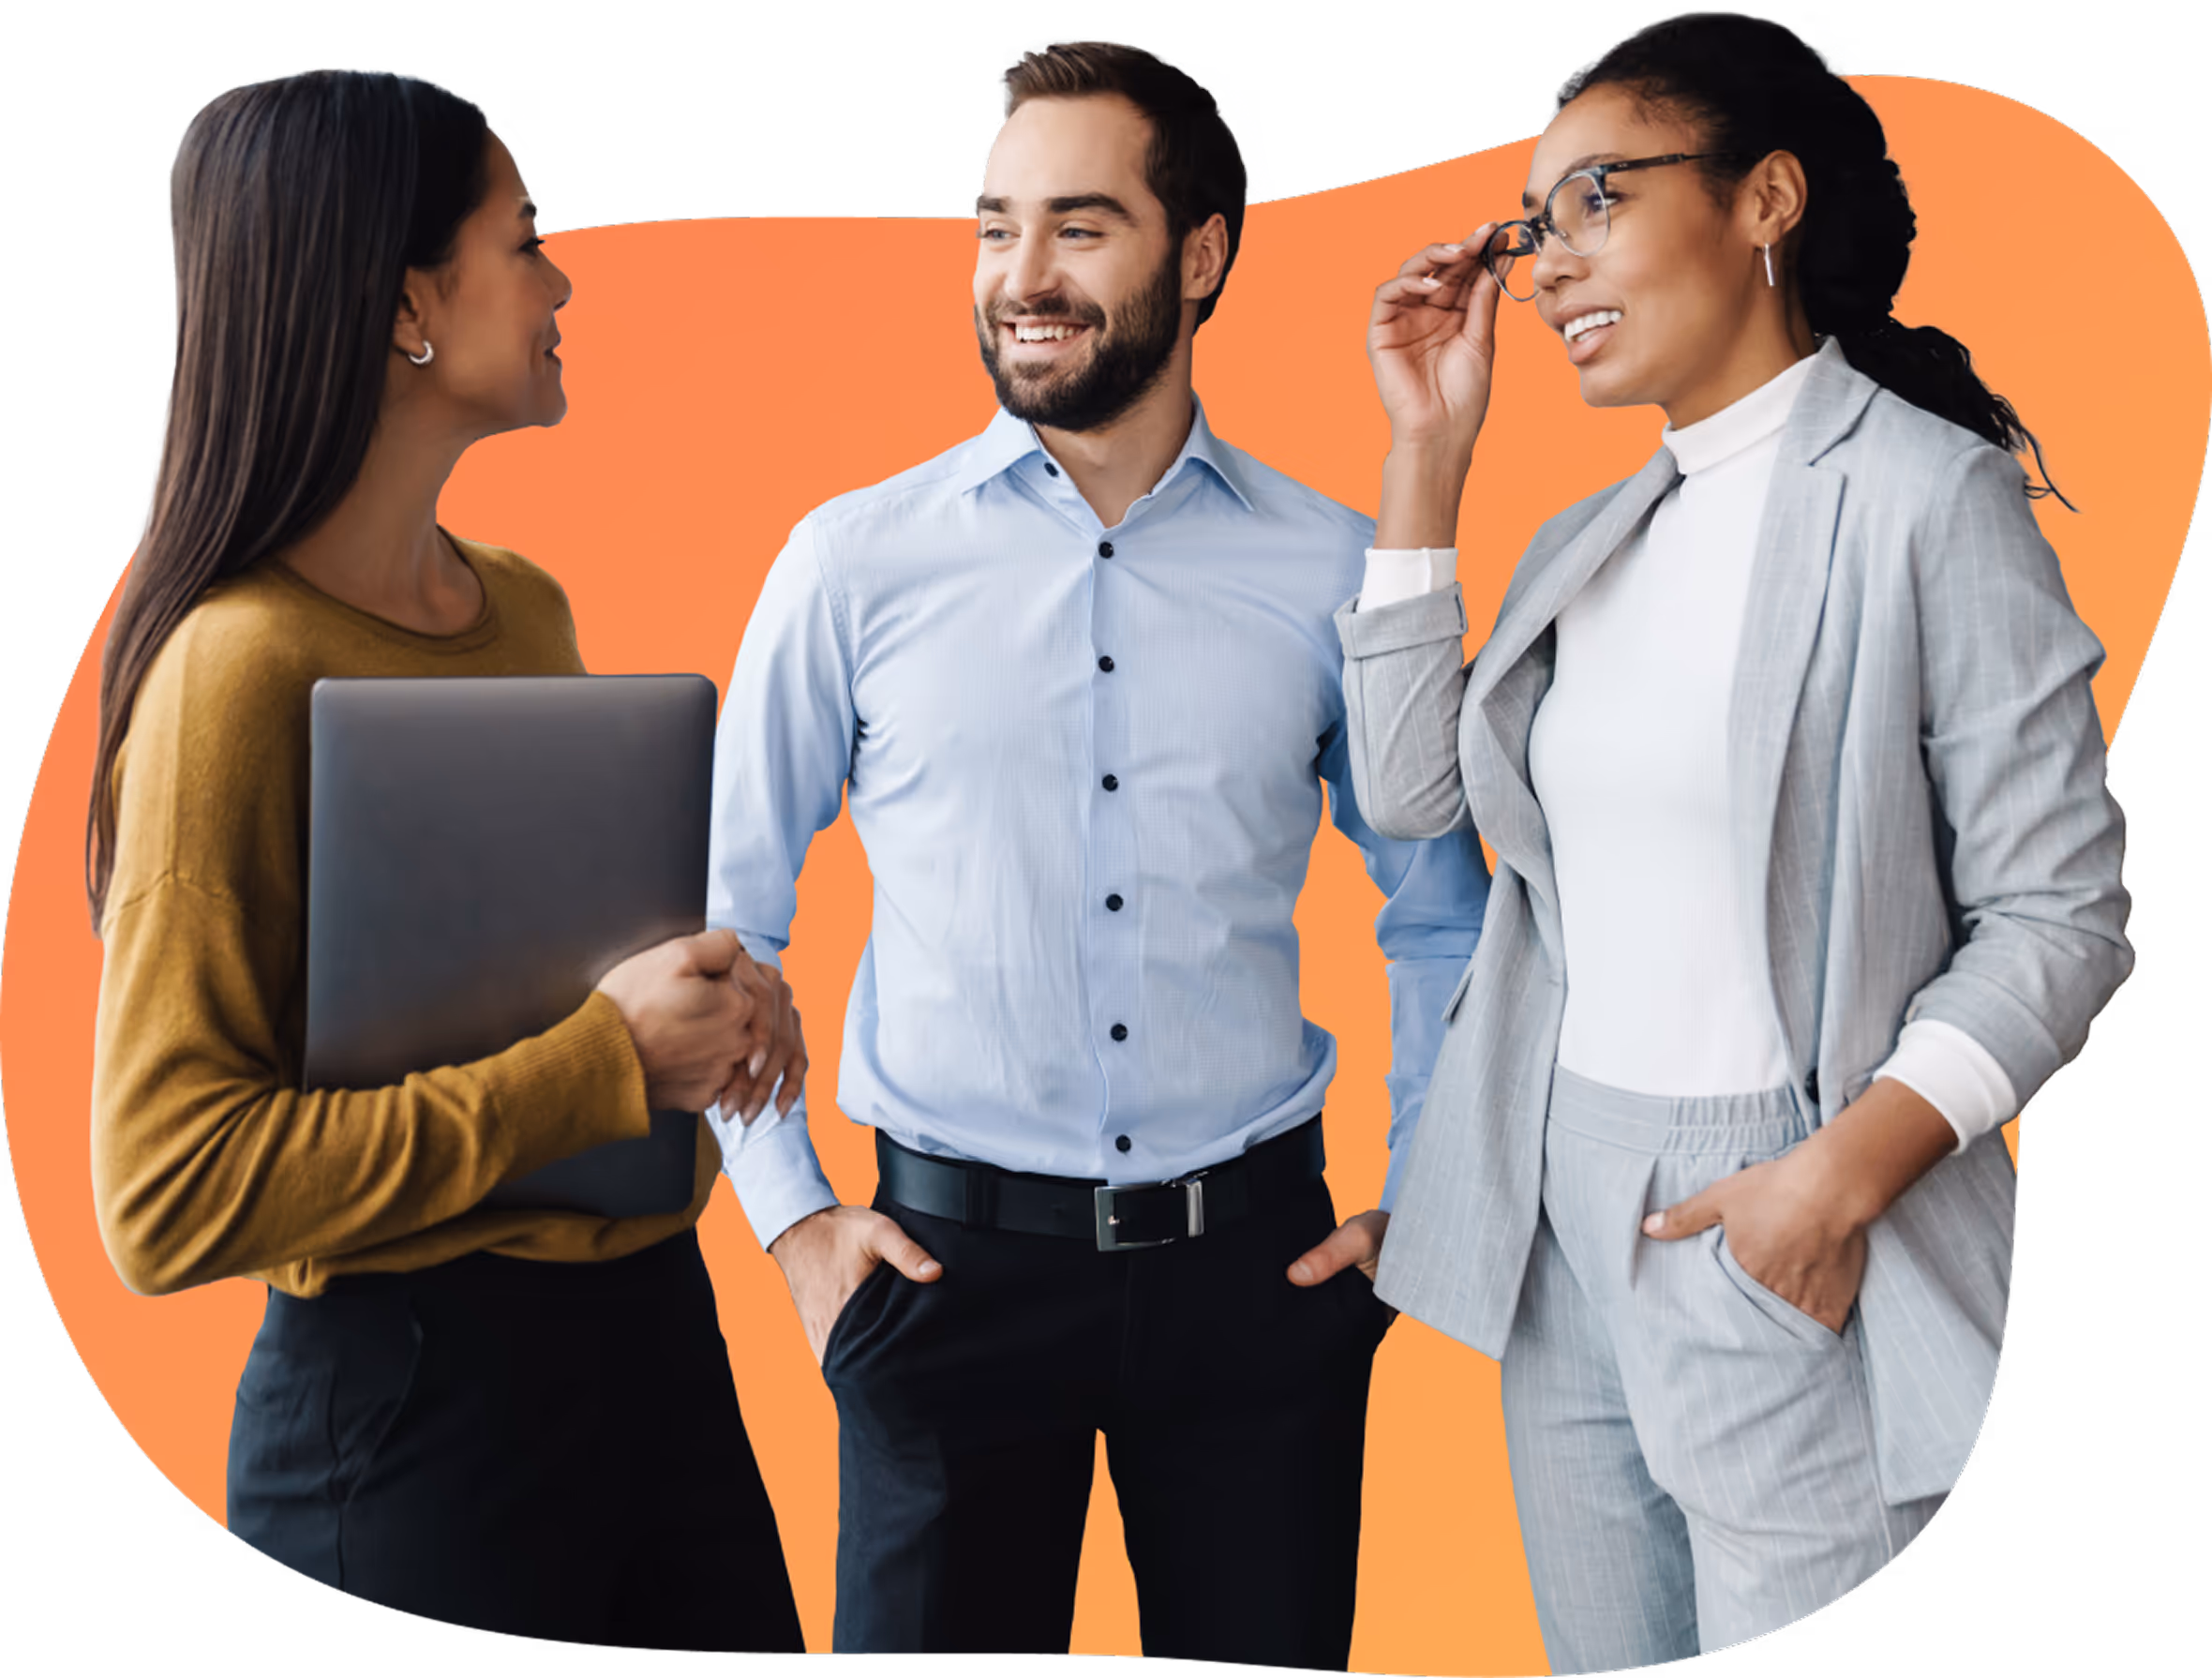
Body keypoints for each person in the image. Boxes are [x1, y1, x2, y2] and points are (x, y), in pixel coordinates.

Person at [1335, 13, 2132, 1671]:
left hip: (1785, 1208)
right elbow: (1411, 792)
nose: (1548, 267)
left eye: (1597, 199)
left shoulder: (1927, 499)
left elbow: (2060, 917)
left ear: (1765, 199)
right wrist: (1429, 450)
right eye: (1532, 222)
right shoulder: (1596, 535)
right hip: (1560, 1239)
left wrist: (1829, 1187)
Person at [701, 37, 1490, 1666]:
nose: (1021, 278)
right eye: (996, 227)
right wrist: (791, 1224)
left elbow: (1435, 908)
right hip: (941, 1281)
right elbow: (722, 922)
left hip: (1257, 1284)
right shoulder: (854, 564)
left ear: (1201, 255)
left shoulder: (1339, 562)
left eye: (1079, 225)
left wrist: (1434, 1195)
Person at [86, 68, 807, 1653]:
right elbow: (164, 1189)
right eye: (525, 238)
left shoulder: (524, 607)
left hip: (651, 1368)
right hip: (415, 1422)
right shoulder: (234, 671)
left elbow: (528, 992)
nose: (560, 278)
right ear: (412, 299)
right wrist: (608, 1065)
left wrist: (713, 1007)